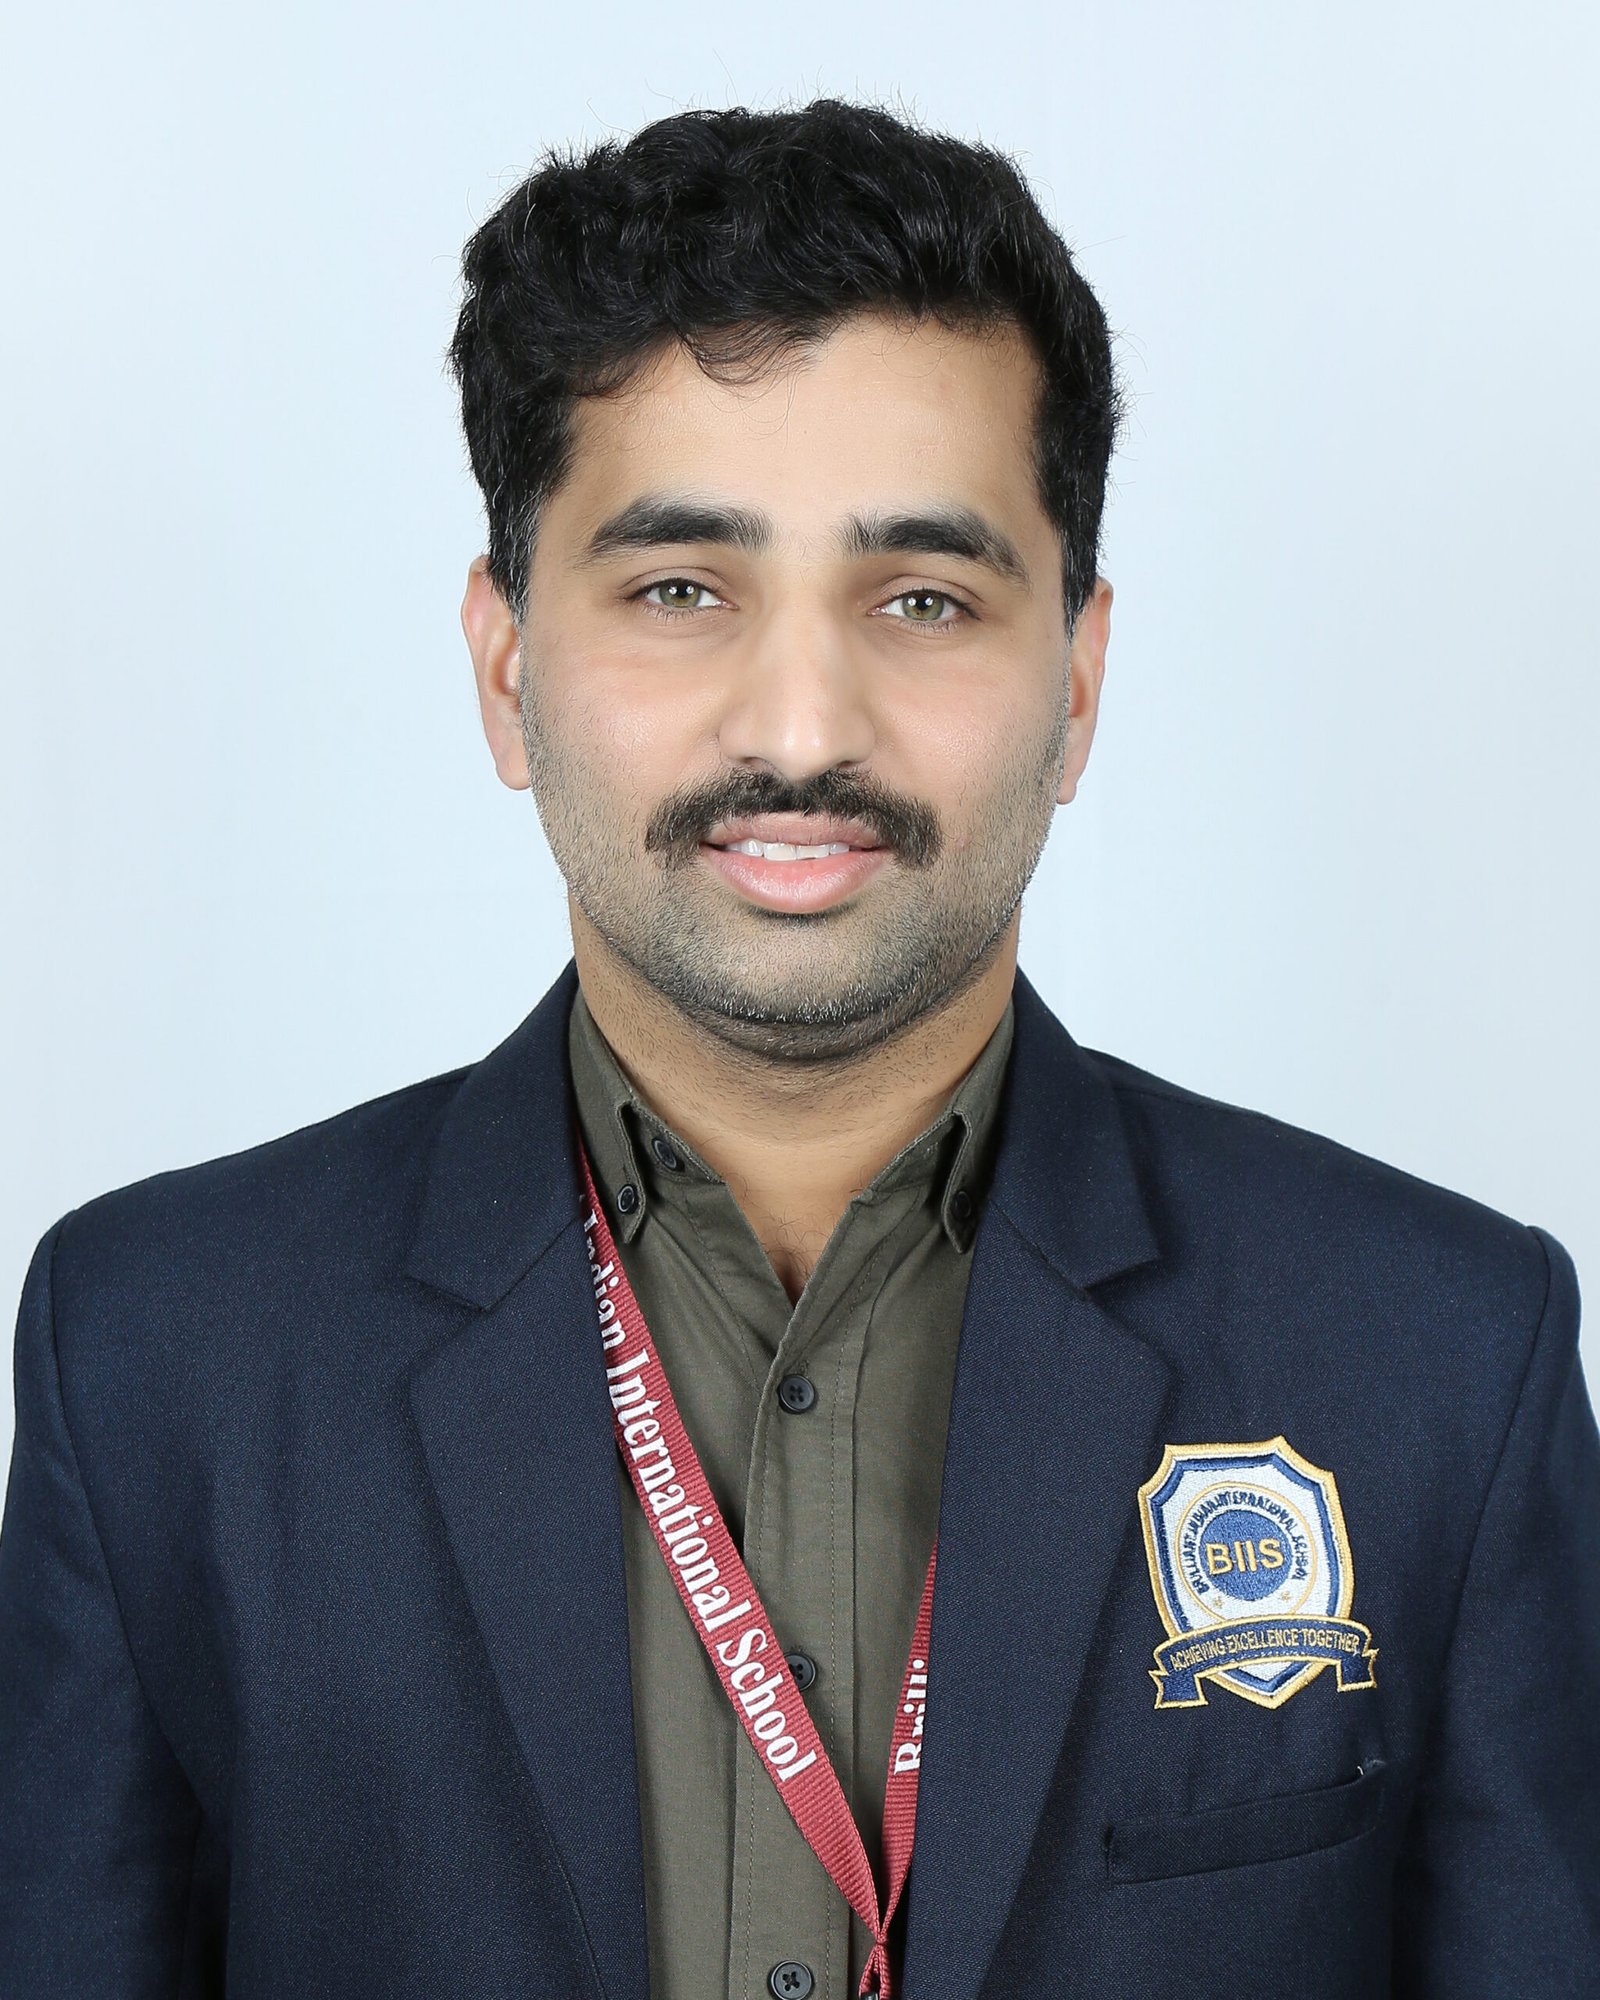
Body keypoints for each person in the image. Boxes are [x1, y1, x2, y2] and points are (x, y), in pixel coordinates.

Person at [1, 95, 1596, 2000]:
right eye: (681, 590)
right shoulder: (156, 1361)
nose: (802, 724)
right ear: (507, 670)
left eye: (923, 599)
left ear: (1078, 685)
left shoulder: (1440, 1360)